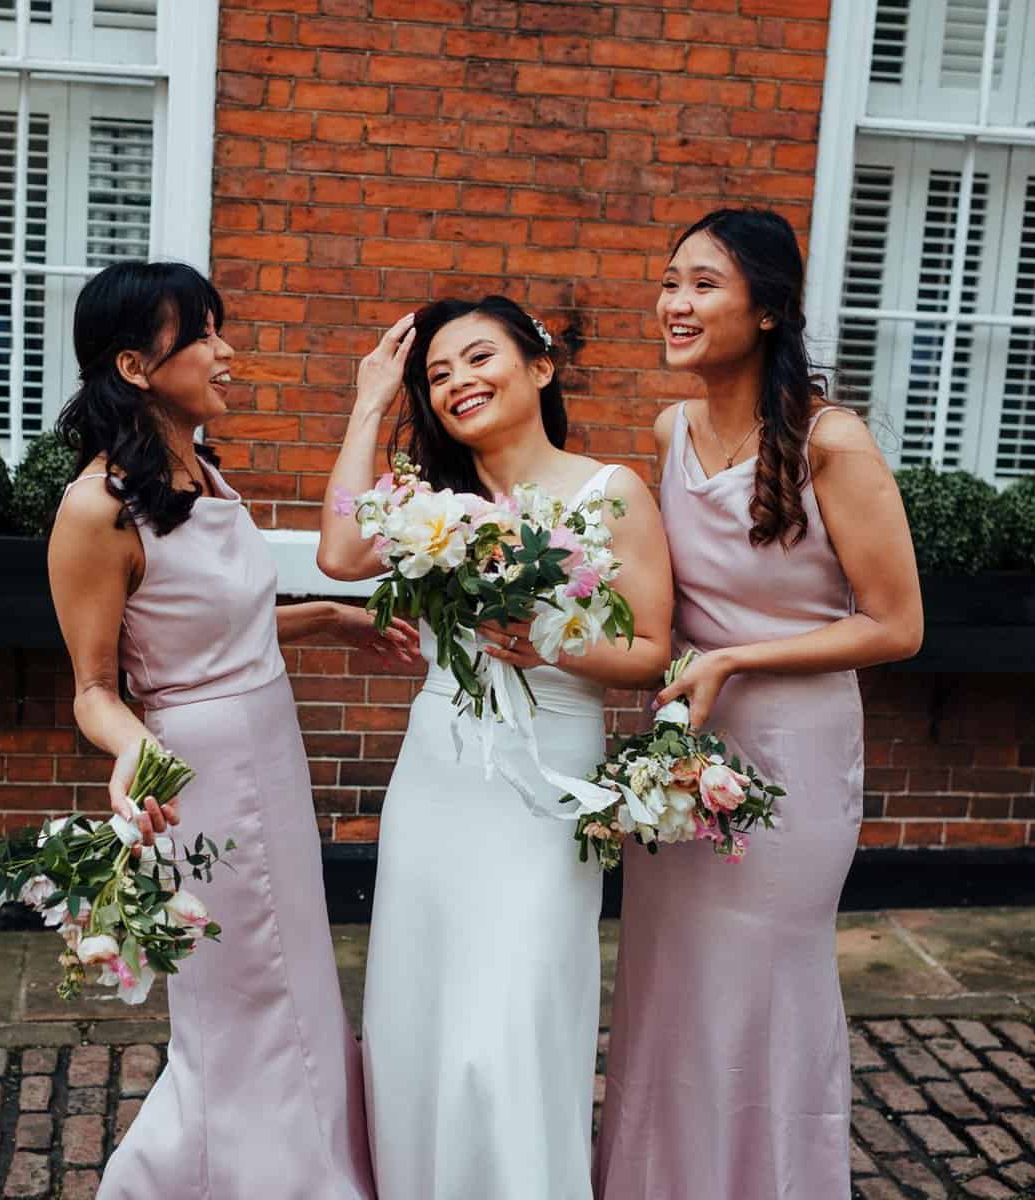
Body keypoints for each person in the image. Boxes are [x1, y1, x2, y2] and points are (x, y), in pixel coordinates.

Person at [49, 261, 410, 1199]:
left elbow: (212, 620)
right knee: (239, 991)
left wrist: (329, 619)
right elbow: (94, 685)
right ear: (134, 364)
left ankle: (312, 1165)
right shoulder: (96, 509)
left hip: (270, 750)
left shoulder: (199, 470)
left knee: (292, 975)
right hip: (196, 771)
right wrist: (131, 748)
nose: (226, 352)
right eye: (202, 335)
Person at [594, 209, 923, 1200]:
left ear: (769, 309)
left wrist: (736, 660)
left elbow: (898, 626)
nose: (674, 304)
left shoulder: (834, 443)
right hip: (688, 748)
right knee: (669, 980)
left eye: (702, 284)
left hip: (799, 745)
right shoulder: (669, 431)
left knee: (764, 985)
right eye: (669, 282)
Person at [316, 296, 674, 1199]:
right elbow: (338, 555)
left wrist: (550, 641)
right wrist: (369, 399)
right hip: (438, 771)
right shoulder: (430, 505)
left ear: (540, 369)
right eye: (435, 375)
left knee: (512, 1015)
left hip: (547, 779)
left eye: (478, 360)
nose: (456, 384)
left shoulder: (611, 489)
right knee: (421, 1008)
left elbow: (649, 653)